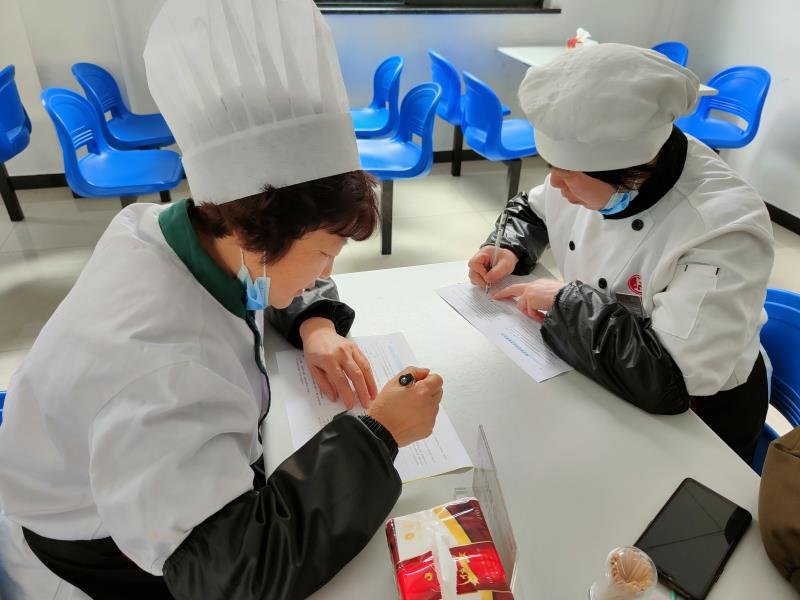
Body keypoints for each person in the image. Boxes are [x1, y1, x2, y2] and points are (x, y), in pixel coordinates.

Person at [0, 1, 443, 599]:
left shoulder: (168, 229)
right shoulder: (163, 368)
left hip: (137, 476)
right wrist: (379, 434)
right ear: (253, 233)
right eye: (325, 252)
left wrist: (315, 323)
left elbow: (266, 279)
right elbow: (233, 575)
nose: (327, 272)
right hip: (99, 545)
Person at [468, 43, 773, 463]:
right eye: (551, 167)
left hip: (698, 415)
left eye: (568, 176)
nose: (555, 185)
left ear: (632, 174)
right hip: (602, 367)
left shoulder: (723, 225)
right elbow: (532, 209)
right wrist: (507, 246)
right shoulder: (596, 175)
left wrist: (566, 303)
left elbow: (670, 379)